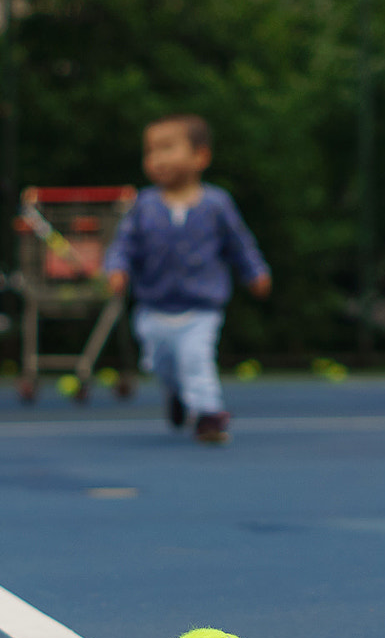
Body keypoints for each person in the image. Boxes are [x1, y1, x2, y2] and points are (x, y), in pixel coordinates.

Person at [103, 115, 271, 444]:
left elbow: (240, 244)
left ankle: (209, 415)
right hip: (154, 309)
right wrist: (116, 269)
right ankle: (178, 395)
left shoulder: (216, 204)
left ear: (200, 157)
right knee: (163, 367)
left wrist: (256, 272)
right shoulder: (143, 205)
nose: (158, 159)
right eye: (151, 151)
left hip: (200, 309)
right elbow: (123, 245)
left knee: (196, 358)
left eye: (167, 148)